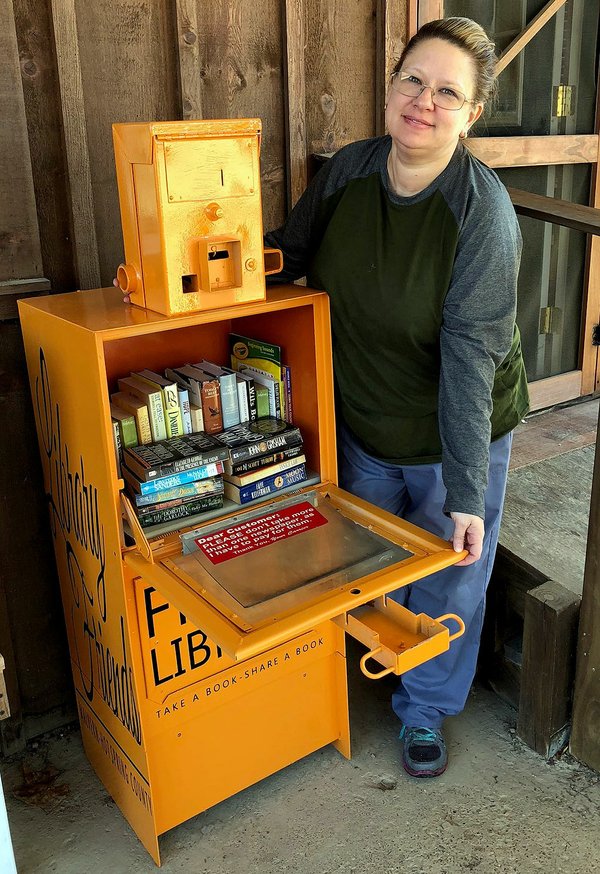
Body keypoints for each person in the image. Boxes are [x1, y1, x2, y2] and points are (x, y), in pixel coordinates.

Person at [264, 17, 529, 777]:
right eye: (413, 80)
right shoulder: (349, 169)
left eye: (448, 92)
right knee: (366, 556)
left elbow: (471, 361)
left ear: (471, 116)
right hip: (367, 419)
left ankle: (425, 710)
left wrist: (469, 493)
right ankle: (367, 671)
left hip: (460, 429)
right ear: (390, 87)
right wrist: (211, 268)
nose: (424, 101)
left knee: (449, 569)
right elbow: (295, 249)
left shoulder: (483, 216)